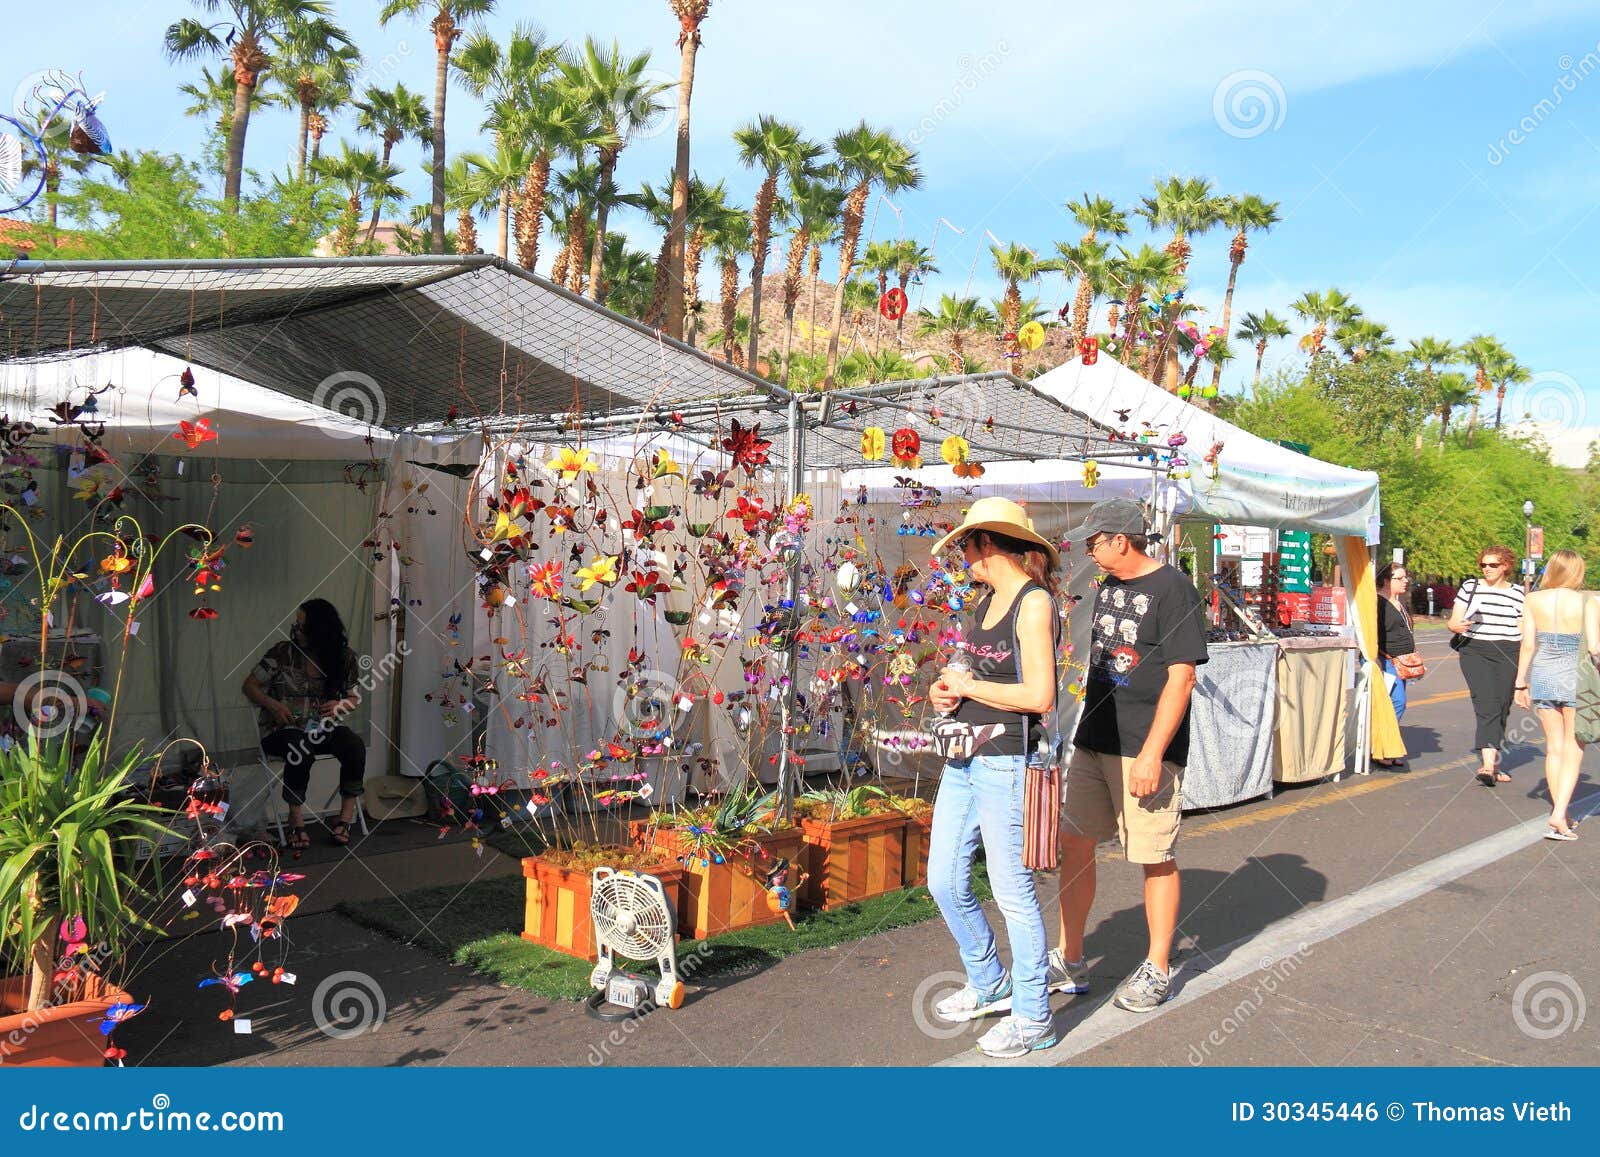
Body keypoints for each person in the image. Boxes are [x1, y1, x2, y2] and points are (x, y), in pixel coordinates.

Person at [1057, 498, 1207, 1013]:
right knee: (1073, 845)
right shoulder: (1109, 587)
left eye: (1094, 541)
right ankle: (1070, 955)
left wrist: (1151, 755)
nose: (1088, 550)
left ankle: (1158, 967)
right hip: (1094, 739)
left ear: (1121, 539)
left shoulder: (1174, 589)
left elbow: (1181, 676)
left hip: (1144, 747)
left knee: (1152, 855)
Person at [925, 497, 1060, 1058]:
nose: (961, 555)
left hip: (1007, 758)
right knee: (943, 880)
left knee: (1013, 892)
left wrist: (972, 688)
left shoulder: (1034, 603)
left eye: (964, 545)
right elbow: (971, 673)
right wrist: (944, 691)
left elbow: (1040, 697)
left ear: (986, 544)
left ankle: (1033, 1018)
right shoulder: (981, 602)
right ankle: (989, 984)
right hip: (964, 754)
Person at [242, 599, 366, 849]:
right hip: (281, 731)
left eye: (302, 627)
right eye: (296, 626)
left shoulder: (343, 658)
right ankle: (295, 819)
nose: (296, 632)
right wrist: (272, 704)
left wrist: (343, 704)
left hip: (321, 729)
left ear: (321, 632)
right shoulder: (282, 653)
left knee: (353, 744)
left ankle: (345, 818)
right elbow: (250, 685)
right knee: (301, 747)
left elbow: (355, 696)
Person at [1513, 549, 1597, 841]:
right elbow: (1595, 648)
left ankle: (1560, 811)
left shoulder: (1533, 600)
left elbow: (1527, 644)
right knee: (1574, 750)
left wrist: (1520, 683)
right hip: (1577, 677)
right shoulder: (1587, 600)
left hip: (1544, 675)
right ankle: (1559, 813)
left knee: (1554, 748)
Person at [1449, 545, 1525, 787]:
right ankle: (1488, 765)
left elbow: (1524, 632)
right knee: (1486, 703)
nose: (1487, 569)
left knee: (1502, 705)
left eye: (1493, 565)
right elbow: (1453, 621)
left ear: (1505, 566)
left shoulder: (1518, 593)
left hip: (1508, 651)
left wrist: (1524, 672)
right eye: (1483, 565)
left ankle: (1494, 761)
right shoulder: (1470, 588)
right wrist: (1456, 626)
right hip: (1475, 650)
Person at [1374, 562, 1415, 769]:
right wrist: (1376, 660)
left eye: (1405, 577)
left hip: (1402, 663)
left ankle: (1389, 747)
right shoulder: (1378, 603)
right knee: (1397, 703)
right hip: (1386, 660)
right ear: (1386, 581)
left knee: (1394, 705)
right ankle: (1381, 747)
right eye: (1400, 578)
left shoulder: (1399, 603)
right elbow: (1373, 635)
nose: (1405, 581)